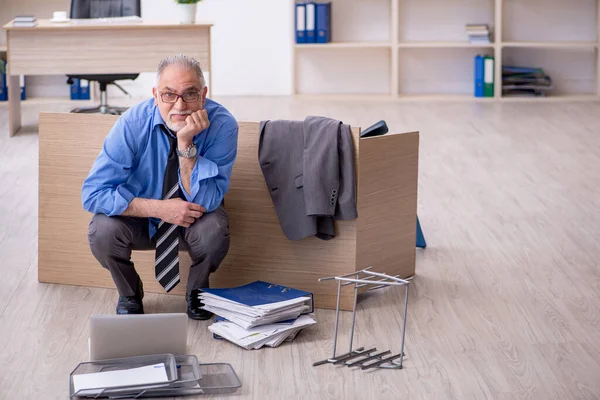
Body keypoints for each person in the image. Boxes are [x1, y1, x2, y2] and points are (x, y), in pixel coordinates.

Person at [82, 54, 238, 320]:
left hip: (194, 214)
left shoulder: (222, 125)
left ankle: (198, 292)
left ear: (204, 94)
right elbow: (93, 194)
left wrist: (186, 145)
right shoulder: (132, 124)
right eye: (169, 94)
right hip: (142, 218)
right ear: (155, 95)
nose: (180, 105)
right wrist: (159, 209)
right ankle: (130, 293)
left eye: (190, 94)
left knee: (215, 230)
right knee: (102, 231)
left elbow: (209, 199)